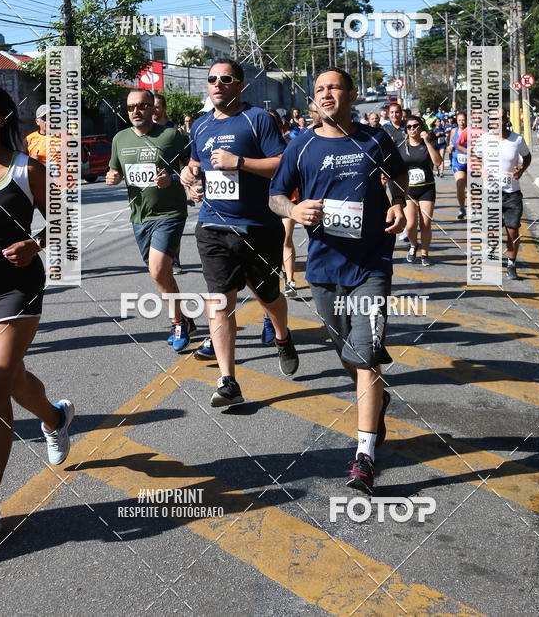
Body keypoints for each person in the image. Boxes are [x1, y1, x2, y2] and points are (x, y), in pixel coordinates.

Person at [270, 67, 408, 494]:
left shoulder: (374, 139)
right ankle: (377, 399)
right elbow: (275, 196)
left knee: (366, 357)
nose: (325, 94)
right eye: (319, 90)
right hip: (324, 270)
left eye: (333, 88)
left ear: (350, 96)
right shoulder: (301, 145)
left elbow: (400, 177)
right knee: (348, 355)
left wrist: (399, 204)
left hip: (371, 266)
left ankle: (364, 456)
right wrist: (293, 211)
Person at [0, 82, 74, 534]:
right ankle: (54, 417)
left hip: (13, 292)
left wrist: (35, 244)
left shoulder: (23, 168)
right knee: (11, 378)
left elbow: (63, 216)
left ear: (0, 117)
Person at [180, 59, 299, 405]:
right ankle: (227, 380)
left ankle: (282, 336)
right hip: (213, 226)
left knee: (268, 297)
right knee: (219, 303)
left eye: (225, 79)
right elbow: (195, 165)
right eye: (212, 79)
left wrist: (240, 162)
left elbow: (282, 164)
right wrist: (189, 179)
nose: (217, 84)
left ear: (240, 85)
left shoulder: (257, 119)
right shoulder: (200, 126)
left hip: (258, 227)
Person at [106, 89, 191, 347]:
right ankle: (184, 318)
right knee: (160, 275)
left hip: (170, 213)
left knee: (158, 270)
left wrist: (174, 178)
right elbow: (115, 170)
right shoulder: (120, 139)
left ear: (153, 108)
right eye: (131, 107)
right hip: (140, 217)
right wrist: (113, 177)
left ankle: (177, 325)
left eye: (142, 106)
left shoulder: (170, 136)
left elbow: (190, 169)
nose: (136, 111)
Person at [400, 117, 442, 267]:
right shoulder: (402, 146)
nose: (412, 129)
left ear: (421, 127)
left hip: (427, 188)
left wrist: (428, 142)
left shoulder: (427, 144)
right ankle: (413, 245)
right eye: (409, 127)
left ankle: (425, 253)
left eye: (415, 126)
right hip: (409, 190)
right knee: (410, 224)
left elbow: (438, 162)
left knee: (426, 223)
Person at [496, 109, 531, 280]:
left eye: (501, 118)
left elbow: (527, 157)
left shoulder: (516, 139)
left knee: (512, 230)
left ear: (506, 119)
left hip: (512, 193)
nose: (498, 121)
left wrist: (522, 170)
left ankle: (511, 264)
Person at [448, 111, 467, 219]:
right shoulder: (454, 131)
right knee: (460, 184)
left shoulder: (471, 131)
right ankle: (461, 208)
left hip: (471, 162)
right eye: (459, 120)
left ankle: (474, 209)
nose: (461, 122)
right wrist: (450, 147)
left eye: (463, 120)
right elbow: (451, 143)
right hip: (458, 162)